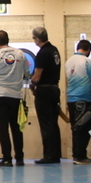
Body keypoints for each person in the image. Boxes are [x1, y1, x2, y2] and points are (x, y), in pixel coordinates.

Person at [0, 30, 27, 167]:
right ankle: (19, 158)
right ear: (8, 39)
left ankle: (7, 158)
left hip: (0, 96)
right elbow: (26, 74)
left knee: (3, 129)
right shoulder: (20, 54)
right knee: (16, 127)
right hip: (16, 96)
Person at [29, 26, 63, 164]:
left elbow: (37, 77)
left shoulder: (42, 53)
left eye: (34, 38)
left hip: (44, 91)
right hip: (54, 89)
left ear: (38, 39)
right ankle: (55, 154)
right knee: (53, 123)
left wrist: (31, 83)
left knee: (46, 124)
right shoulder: (54, 50)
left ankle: (49, 155)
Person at [65, 39, 91, 165]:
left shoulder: (69, 61)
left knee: (76, 128)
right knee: (85, 128)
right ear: (88, 50)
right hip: (84, 99)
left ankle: (77, 155)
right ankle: (81, 156)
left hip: (71, 99)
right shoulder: (88, 62)